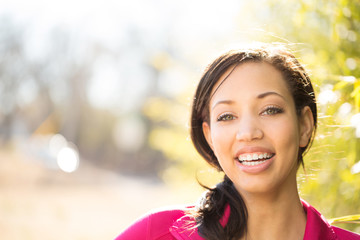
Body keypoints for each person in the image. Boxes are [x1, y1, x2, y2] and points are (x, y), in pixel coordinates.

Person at [115, 43, 360, 240]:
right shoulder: (156, 233)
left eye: (270, 110)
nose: (248, 132)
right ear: (209, 136)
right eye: (227, 116)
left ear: (304, 125)